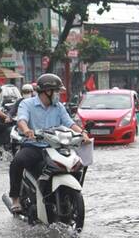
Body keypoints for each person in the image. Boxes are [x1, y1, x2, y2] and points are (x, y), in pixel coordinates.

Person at [8, 73, 90, 214]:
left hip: (57, 147)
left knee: (77, 165)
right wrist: (27, 130)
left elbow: (69, 123)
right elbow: (22, 120)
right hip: (34, 147)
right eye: (57, 91)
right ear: (47, 91)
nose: (58, 94)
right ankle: (15, 198)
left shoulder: (58, 107)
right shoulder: (27, 104)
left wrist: (82, 133)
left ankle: (68, 197)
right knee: (17, 161)